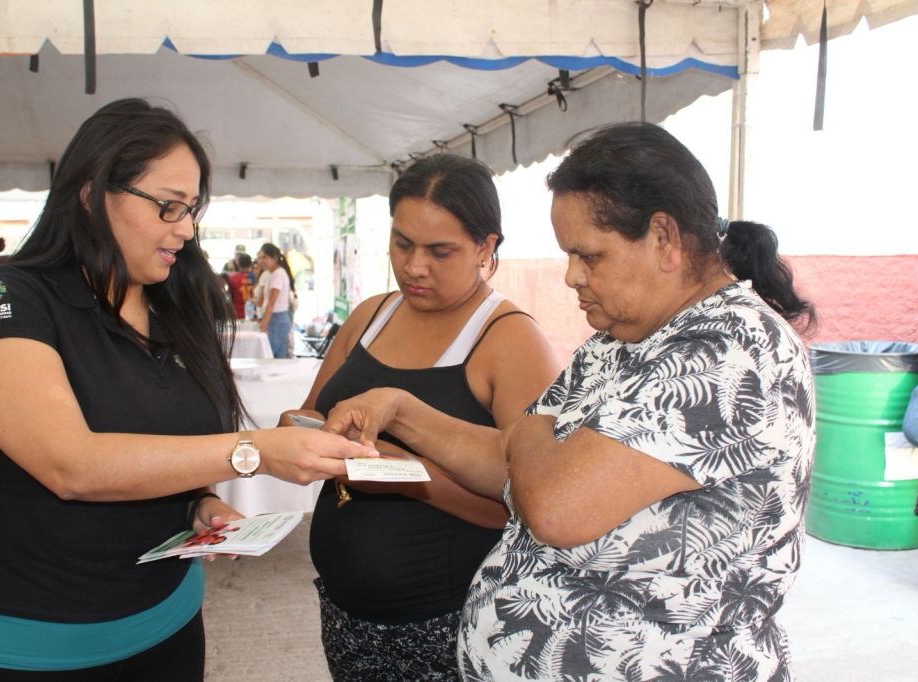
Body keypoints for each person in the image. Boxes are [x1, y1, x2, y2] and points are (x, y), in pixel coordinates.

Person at [323, 123, 817, 681]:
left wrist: (531, 433)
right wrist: (402, 410)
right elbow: (507, 458)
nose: (571, 276)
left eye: (589, 256)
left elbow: (555, 507)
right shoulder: (620, 338)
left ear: (664, 238)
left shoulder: (731, 347)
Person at [0, 98, 375, 681]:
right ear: (90, 192)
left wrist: (195, 501)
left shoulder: (175, 301)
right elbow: (70, 463)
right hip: (15, 643)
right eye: (168, 207)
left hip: (163, 623)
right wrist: (251, 450)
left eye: (192, 209)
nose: (186, 228)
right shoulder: (5, 299)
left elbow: (167, 436)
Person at [295, 154, 560, 680]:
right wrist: (298, 433)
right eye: (402, 243)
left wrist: (402, 478)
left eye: (440, 251)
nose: (415, 266)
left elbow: (531, 504)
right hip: (346, 613)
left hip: (446, 623)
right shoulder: (371, 314)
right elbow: (312, 412)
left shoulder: (511, 339)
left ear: (486, 247)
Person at [256, 242, 295, 358]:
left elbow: (271, 303)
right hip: (277, 319)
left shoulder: (278, 274)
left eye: (265, 257)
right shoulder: (273, 273)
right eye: (260, 258)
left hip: (277, 320)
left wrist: (263, 325)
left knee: (268, 356)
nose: (261, 261)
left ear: (275, 258)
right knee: (279, 357)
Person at [227, 252, 253, 320]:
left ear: (238, 264)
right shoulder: (255, 277)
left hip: (237, 312)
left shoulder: (232, 278)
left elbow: (230, 296)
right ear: (251, 263)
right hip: (253, 312)